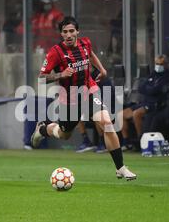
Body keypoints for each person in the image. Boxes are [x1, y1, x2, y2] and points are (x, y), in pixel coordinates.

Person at [30, 16, 137, 180]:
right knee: (64, 134)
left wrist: (101, 69)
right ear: (61, 34)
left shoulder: (85, 43)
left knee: (107, 123)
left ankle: (120, 167)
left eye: (71, 31)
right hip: (69, 98)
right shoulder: (55, 52)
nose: (68, 35)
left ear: (77, 32)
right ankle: (43, 129)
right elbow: (41, 78)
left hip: (89, 89)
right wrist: (61, 74)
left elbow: (91, 54)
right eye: (65, 32)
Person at [117, 55, 169, 149]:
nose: (158, 66)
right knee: (120, 115)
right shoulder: (153, 74)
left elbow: (156, 89)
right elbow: (141, 87)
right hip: (144, 102)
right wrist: (150, 89)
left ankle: (141, 140)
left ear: (165, 65)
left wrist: (150, 89)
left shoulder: (167, 76)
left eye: (161, 64)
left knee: (136, 114)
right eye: (157, 64)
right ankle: (126, 142)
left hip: (155, 104)